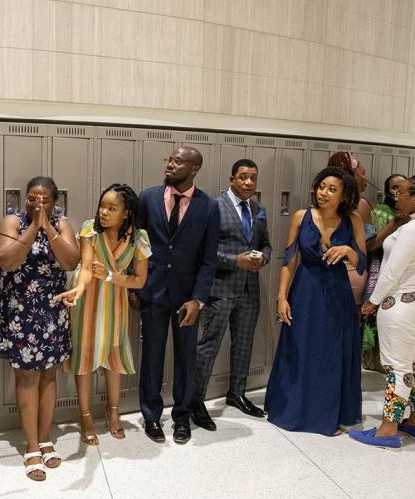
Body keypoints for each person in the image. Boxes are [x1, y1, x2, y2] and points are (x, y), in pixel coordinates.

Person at [0, 176, 80, 481]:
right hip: (21, 311)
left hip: (52, 310)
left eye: (43, 200)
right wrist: (33, 227)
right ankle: (31, 446)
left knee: (49, 373)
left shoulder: (62, 223)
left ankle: (45, 439)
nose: (36, 204)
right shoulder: (12, 221)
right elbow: (7, 260)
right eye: (31, 198)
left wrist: (49, 228)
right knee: (27, 376)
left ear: (55, 202)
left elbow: (70, 262)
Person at [350, 174, 415, 448]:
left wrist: (373, 301)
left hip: (404, 303)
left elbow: (392, 271)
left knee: (397, 367)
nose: (397, 196)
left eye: (403, 192)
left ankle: (387, 429)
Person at [267, 167, 366, 436]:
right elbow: (289, 260)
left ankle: (328, 414)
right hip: (305, 291)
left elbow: (362, 263)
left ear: (344, 194)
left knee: (331, 354)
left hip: (337, 294)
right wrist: (282, 297)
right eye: (322, 186)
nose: (324, 193)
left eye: (332, 189)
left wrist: (347, 250)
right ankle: (293, 408)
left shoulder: (353, 219)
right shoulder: (301, 217)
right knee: (300, 349)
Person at [54, 183, 151, 444]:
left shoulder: (139, 237)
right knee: (84, 356)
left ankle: (113, 412)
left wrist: (111, 276)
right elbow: (85, 268)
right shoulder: (90, 230)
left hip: (115, 298)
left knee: (114, 354)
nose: (103, 212)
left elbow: (139, 281)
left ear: (126, 212)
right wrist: (79, 289)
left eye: (111, 208)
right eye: (102, 206)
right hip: (88, 300)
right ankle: (85, 415)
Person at [136, 145, 220, 444]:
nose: (170, 165)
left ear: (194, 168)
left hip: (187, 299)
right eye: (169, 159)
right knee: (152, 358)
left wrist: (198, 300)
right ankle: (151, 416)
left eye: (178, 161)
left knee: (186, 358)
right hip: (153, 293)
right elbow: (137, 246)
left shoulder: (208, 207)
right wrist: (138, 287)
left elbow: (209, 260)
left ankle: (182, 416)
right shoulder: (147, 198)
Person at [190, 159, 272, 431]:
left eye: (253, 178)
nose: (249, 183)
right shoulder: (215, 206)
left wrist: (263, 259)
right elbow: (202, 251)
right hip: (220, 289)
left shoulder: (259, 209)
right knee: (209, 346)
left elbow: (267, 246)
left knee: (244, 344)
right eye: (243, 177)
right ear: (232, 179)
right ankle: (196, 401)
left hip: (249, 291)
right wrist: (234, 260)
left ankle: (236, 393)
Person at [362, 174, 407, 372]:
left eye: (402, 188)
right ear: (387, 190)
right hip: (382, 264)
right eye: (394, 187)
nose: (397, 192)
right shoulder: (381, 212)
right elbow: (375, 242)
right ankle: (375, 359)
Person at [328, 151, 373, 306]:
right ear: (352, 176)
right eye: (363, 173)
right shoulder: (359, 206)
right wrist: (394, 226)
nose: (366, 179)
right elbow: (367, 246)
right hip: (352, 272)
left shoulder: (328, 206)